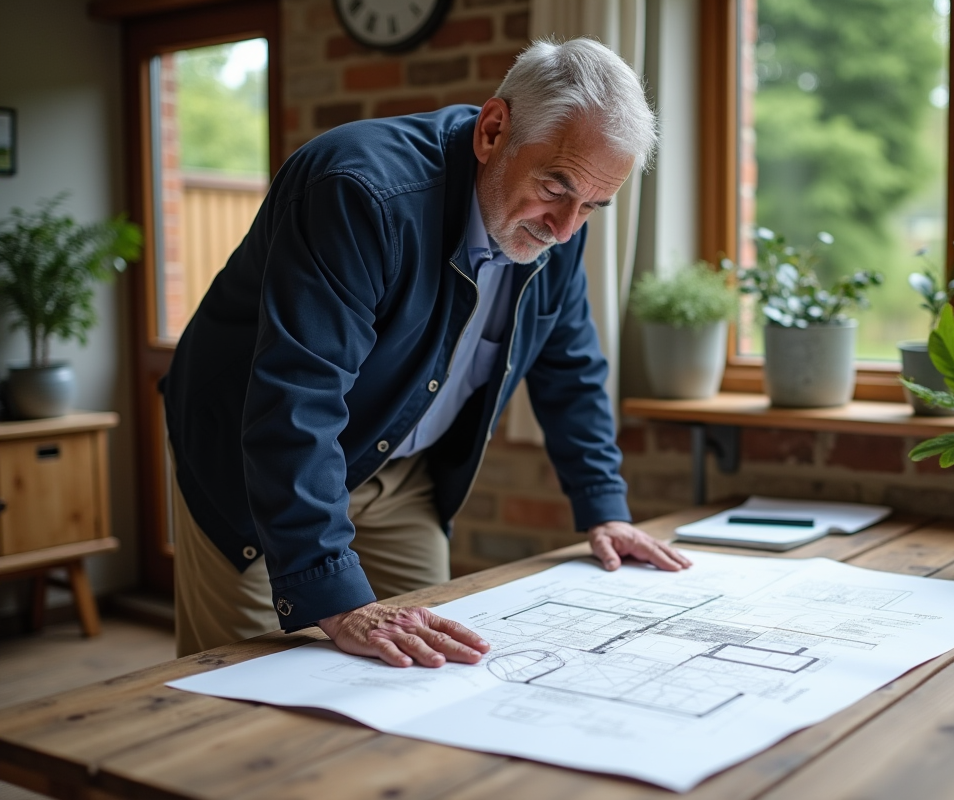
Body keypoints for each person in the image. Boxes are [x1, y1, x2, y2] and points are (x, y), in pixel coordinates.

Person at [161, 37, 693, 667]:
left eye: (594, 207)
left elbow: (569, 366)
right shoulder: (358, 191)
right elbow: (296, 397)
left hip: (400, 475)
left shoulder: (560, 227)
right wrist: (332, 594)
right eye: (555, 186)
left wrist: (605, 507)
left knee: (425, 672)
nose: (565, 227)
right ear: (493, 131)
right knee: (253, 697)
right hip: (258, 473)